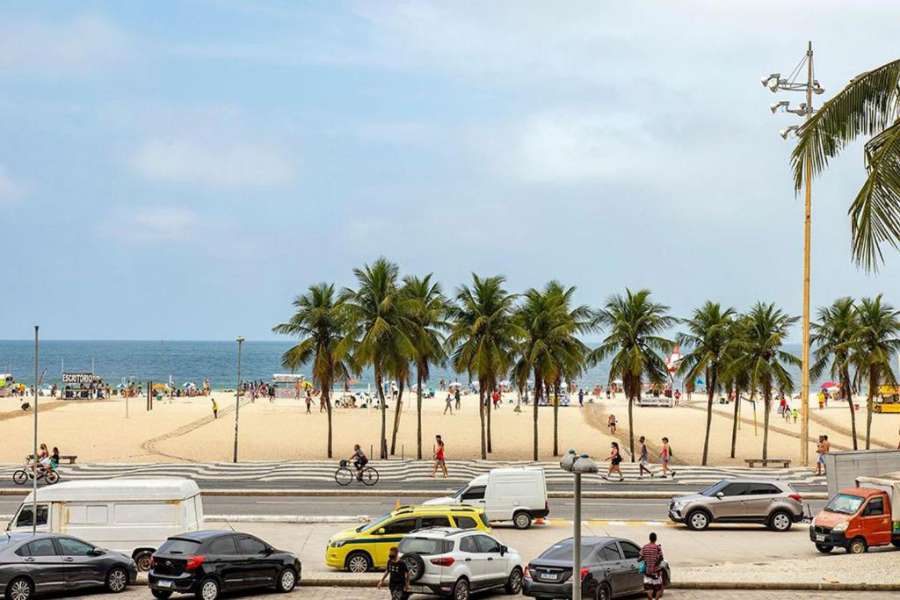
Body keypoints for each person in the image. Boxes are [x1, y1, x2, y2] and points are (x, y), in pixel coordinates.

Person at [639, 532, 665, 600]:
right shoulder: (657, 547)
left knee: (649, 588)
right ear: (655, 539)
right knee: (658, 587)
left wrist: (643, 559)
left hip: (648, 571)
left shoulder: (644, 547)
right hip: (656, 571)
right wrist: (656, 563)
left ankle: (650, 598)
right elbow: (661, 557)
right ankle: (656, 599)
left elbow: (640, 558)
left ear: (649, 538)